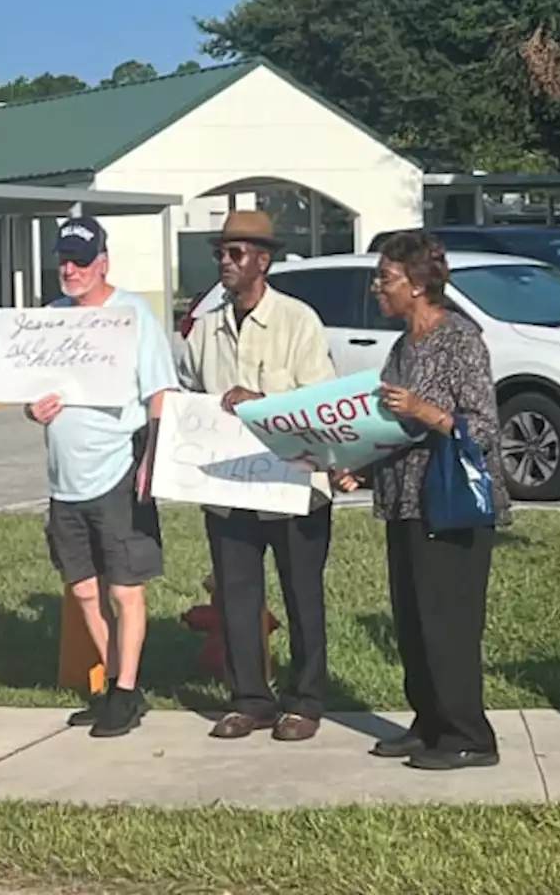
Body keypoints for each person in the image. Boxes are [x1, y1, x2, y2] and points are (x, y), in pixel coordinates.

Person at [338, 230, 510, 770]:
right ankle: (429, 722)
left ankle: (469, 736)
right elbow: (390, 426)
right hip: (404, 502)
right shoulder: (402, 346)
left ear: (416, 284)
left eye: (384, 278)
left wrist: (424, 409)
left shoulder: (460, 339)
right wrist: (358, 465)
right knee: (411, 622)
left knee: (448, 624)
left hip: (450, 503)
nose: (375, 287)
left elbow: (483, 427)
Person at [177, 210, 337, 742]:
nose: (224, 261)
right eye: (219, 253)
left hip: (295, 488)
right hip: (228, 488)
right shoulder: (205, 328)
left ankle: (306, 700)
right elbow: (188, 395)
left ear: (262, 261)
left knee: (302, 596)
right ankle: (251, 700)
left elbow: (320, 403)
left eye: (235, 253)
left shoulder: (298, 321)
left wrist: (261, 403)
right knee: (237, 598)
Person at [26, 215, 178, 738]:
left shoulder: (133, 314)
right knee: (84, 591)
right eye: (63, 260)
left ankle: (128, 690)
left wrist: (152, 461)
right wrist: (35, 410)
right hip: (63, 477)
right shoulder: (52, 317)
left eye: (80, 261)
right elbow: (35, 389)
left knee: (124, 588)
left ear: (103, 263)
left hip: (117, 469)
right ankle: (108, 682)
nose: (69, 270)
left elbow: (160, 392)